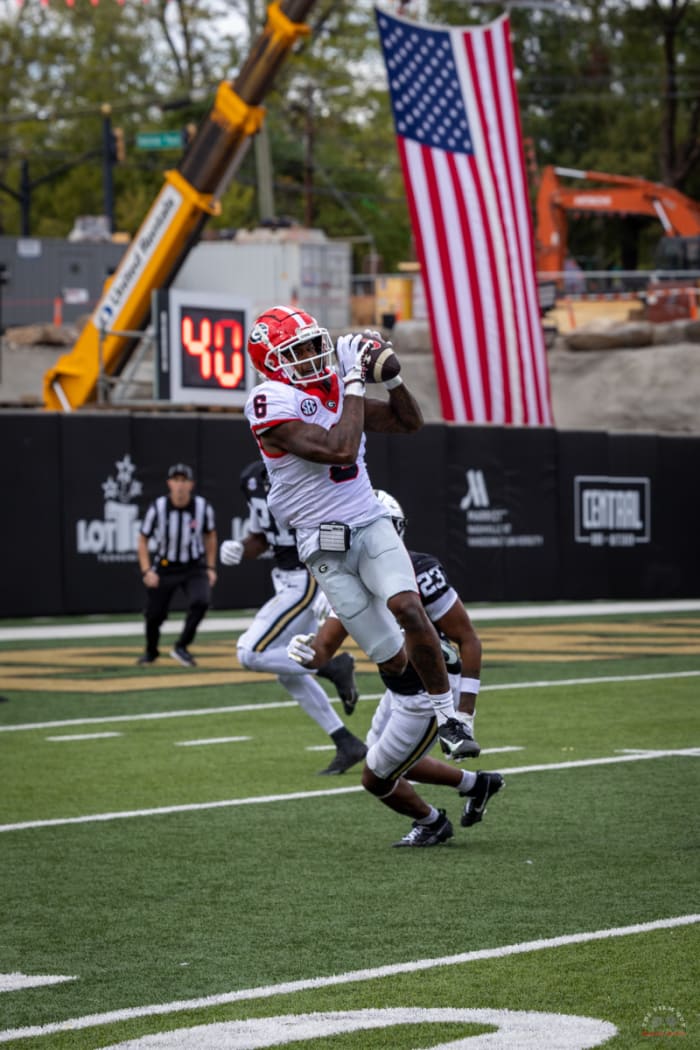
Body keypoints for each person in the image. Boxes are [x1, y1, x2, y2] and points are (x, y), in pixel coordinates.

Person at [244, 304, 474, 760]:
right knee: (391, 657)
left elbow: (409, 422)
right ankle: (431, 662)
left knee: (408, 607)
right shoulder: (268, 401)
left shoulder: (333, 387)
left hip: (368, 520)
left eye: (313, 344)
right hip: (320, 544)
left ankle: (451, 720)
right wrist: (352, 380)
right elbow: (340, 449)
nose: (311, 354)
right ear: (271, 363)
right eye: (297, 350)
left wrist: (392, 379)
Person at [287, 489, 504, 847]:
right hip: (398, 689)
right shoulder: (348, 579)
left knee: (375, 778)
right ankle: (477, 784)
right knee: (389, 757)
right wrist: (305, 651)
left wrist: (464, 714)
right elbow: (323, 650)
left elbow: (468, 639)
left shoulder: (419, 571)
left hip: (428, 695)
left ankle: (432, 823)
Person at [219, 460, 366, 776]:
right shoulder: (251, 478)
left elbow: (334, 527)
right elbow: (262, 537)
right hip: (286, 578)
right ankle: (346, 743)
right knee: (289, 668)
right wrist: (240, 548)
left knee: (250, 652)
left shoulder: (305, 471)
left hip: (308, 577)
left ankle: (331, 667)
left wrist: (332, 577)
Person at [137, 463, 218, 667]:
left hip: (193, 566)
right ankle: (151, 651)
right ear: (169, 483)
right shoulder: (158, 507)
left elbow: (210, 536)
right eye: (176, 480)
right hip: (165, 566)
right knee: (154, 614)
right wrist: (147, 571)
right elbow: (143, 538)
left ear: (191, 484)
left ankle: (181, 646)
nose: (180, 485)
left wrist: (210, 567)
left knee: (201, 601)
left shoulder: (202, 507)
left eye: (184, 480)